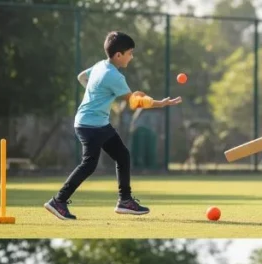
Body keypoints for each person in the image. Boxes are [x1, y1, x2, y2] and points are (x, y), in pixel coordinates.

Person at [44, 31, 181, 221]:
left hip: (97, 123)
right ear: (119, 55)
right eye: (130, 53)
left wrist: (96, 93)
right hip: (90, 125)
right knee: (89, 164)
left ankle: (124, 201)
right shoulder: (114, 76)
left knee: (122, 155)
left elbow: (81, 77)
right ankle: (58, 201)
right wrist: (161, 103)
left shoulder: (101, 65)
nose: (131, 57)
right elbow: (134, 102)